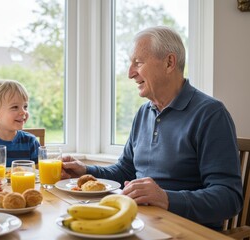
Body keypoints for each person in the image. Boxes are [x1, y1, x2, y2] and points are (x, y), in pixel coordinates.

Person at [61, 26, 243, 230]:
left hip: (187, 231)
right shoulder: (144, 113)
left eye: (138, 63)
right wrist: (84, 170)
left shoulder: (210, 114)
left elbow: (229, 198)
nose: (130, 73)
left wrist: (165, 198)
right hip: (142, 223)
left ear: (169, 63)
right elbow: (125, 170)